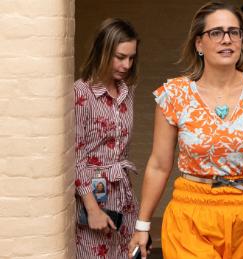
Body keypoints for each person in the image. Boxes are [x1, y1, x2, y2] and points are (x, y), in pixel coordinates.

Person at [128, 2, 243, 259]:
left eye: (234, 32)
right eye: (217, 32)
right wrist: (143, 225)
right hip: (191, 213)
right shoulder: (175, 95)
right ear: (199, 44)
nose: (227, 39)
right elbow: (158, 165)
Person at [74, 18, 140, 258]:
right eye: (120, 57)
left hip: (123, 195)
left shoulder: (126, 91)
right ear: (102, 51)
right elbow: (75, 158)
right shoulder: (81, 93)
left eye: (131, 58)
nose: (127, 65)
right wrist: (92, 209)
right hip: (92, 198)